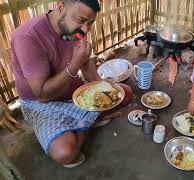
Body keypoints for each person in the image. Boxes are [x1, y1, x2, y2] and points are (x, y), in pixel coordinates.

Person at [11, 0, 132, 167]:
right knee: (66, 153)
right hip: (40, 104)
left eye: (90, 23)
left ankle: (81, 123)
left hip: (74, 92)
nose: (85, 29)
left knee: (124, 93)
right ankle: (89, 122)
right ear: (61, 8)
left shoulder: (75, 28)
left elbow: (85, 62)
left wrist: (103, 85)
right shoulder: (28, 37)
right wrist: (75, 63)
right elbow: (42, 94)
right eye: (81, 20)